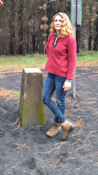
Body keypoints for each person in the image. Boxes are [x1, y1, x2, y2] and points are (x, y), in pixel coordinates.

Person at [42, 12, 76, 141]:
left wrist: (69, 79)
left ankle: (57, 124)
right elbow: (48, 49)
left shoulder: (70, 39)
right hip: (51, 72)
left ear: (65, 23)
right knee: (45, 98)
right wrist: (52, 60)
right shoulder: (52, 35)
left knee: (60, 100)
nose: (57, 23)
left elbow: (72, 60)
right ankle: (65, 123)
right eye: (55, 20)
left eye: (60, 21)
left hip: (62, 75)